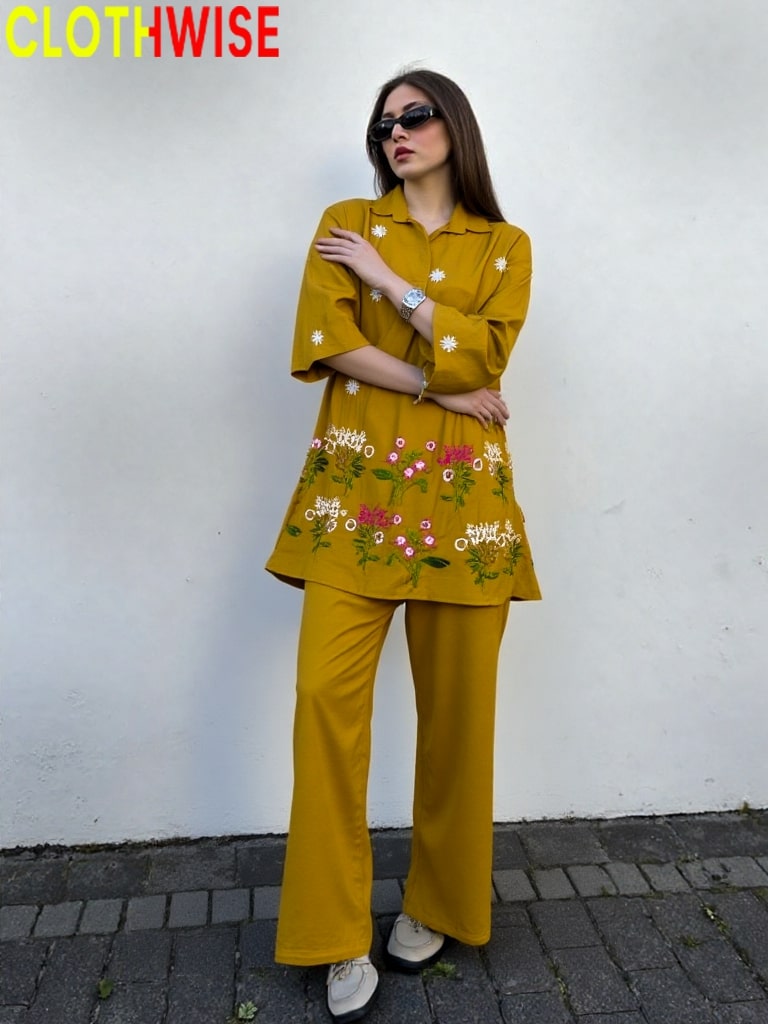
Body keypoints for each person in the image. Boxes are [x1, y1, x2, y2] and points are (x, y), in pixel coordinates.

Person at [265, 68, 541, 1022]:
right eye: (385, 123)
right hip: (355, 505)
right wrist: (436, 382)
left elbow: (485, 357)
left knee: (459, 724)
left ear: (454, 126)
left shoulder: (506, 245)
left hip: (466, 516)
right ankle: (335, 937)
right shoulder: (345, 220)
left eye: (415, 116)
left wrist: (391, 286)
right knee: (322, 706)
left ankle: (438, 903)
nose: (398, 132)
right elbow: (326, 340)